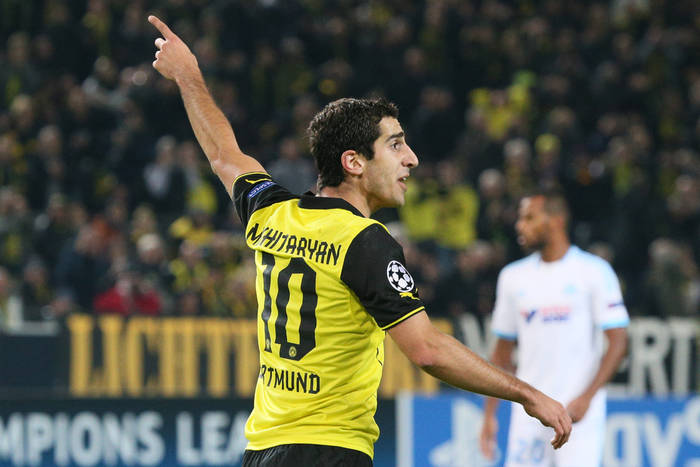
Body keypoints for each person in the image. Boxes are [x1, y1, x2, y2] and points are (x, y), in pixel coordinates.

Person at [147, 15, 572, 467]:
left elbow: (223, 154)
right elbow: (427, 350)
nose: (412, 159)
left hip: (264, 451)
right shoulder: (363, 242)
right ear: (354, 162)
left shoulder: (271, 212)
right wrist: (527, 394)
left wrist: (188, 75)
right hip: (330, 450)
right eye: (395, 145)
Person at [479, 191, 629, 466]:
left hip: (577, 414)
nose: (519, 225)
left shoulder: (594, 271)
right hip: (528, 412)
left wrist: (587, 397)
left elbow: (618, 341)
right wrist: (489, 415)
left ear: (557, 220)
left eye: (529, 218)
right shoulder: (512, 277)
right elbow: (501, 353)